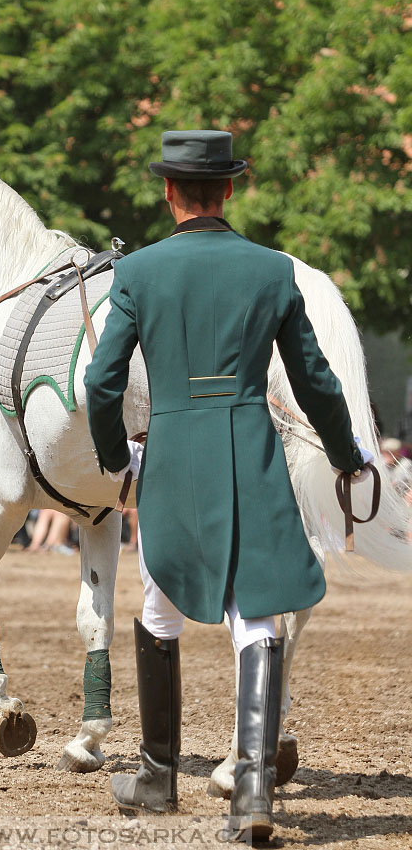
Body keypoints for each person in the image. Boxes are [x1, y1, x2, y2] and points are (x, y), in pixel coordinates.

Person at [84, 130, 373, 842]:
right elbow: (315, 381)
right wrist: (346, 456)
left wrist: (116, 459)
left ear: (169, 193)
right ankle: (251, 790)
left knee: (159, 607)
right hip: (249, 453)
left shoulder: (139, 272)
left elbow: (100, 383)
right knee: (257, 613)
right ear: (231, 190)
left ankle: (156, 774)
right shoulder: (273, 271)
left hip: (173, 459)